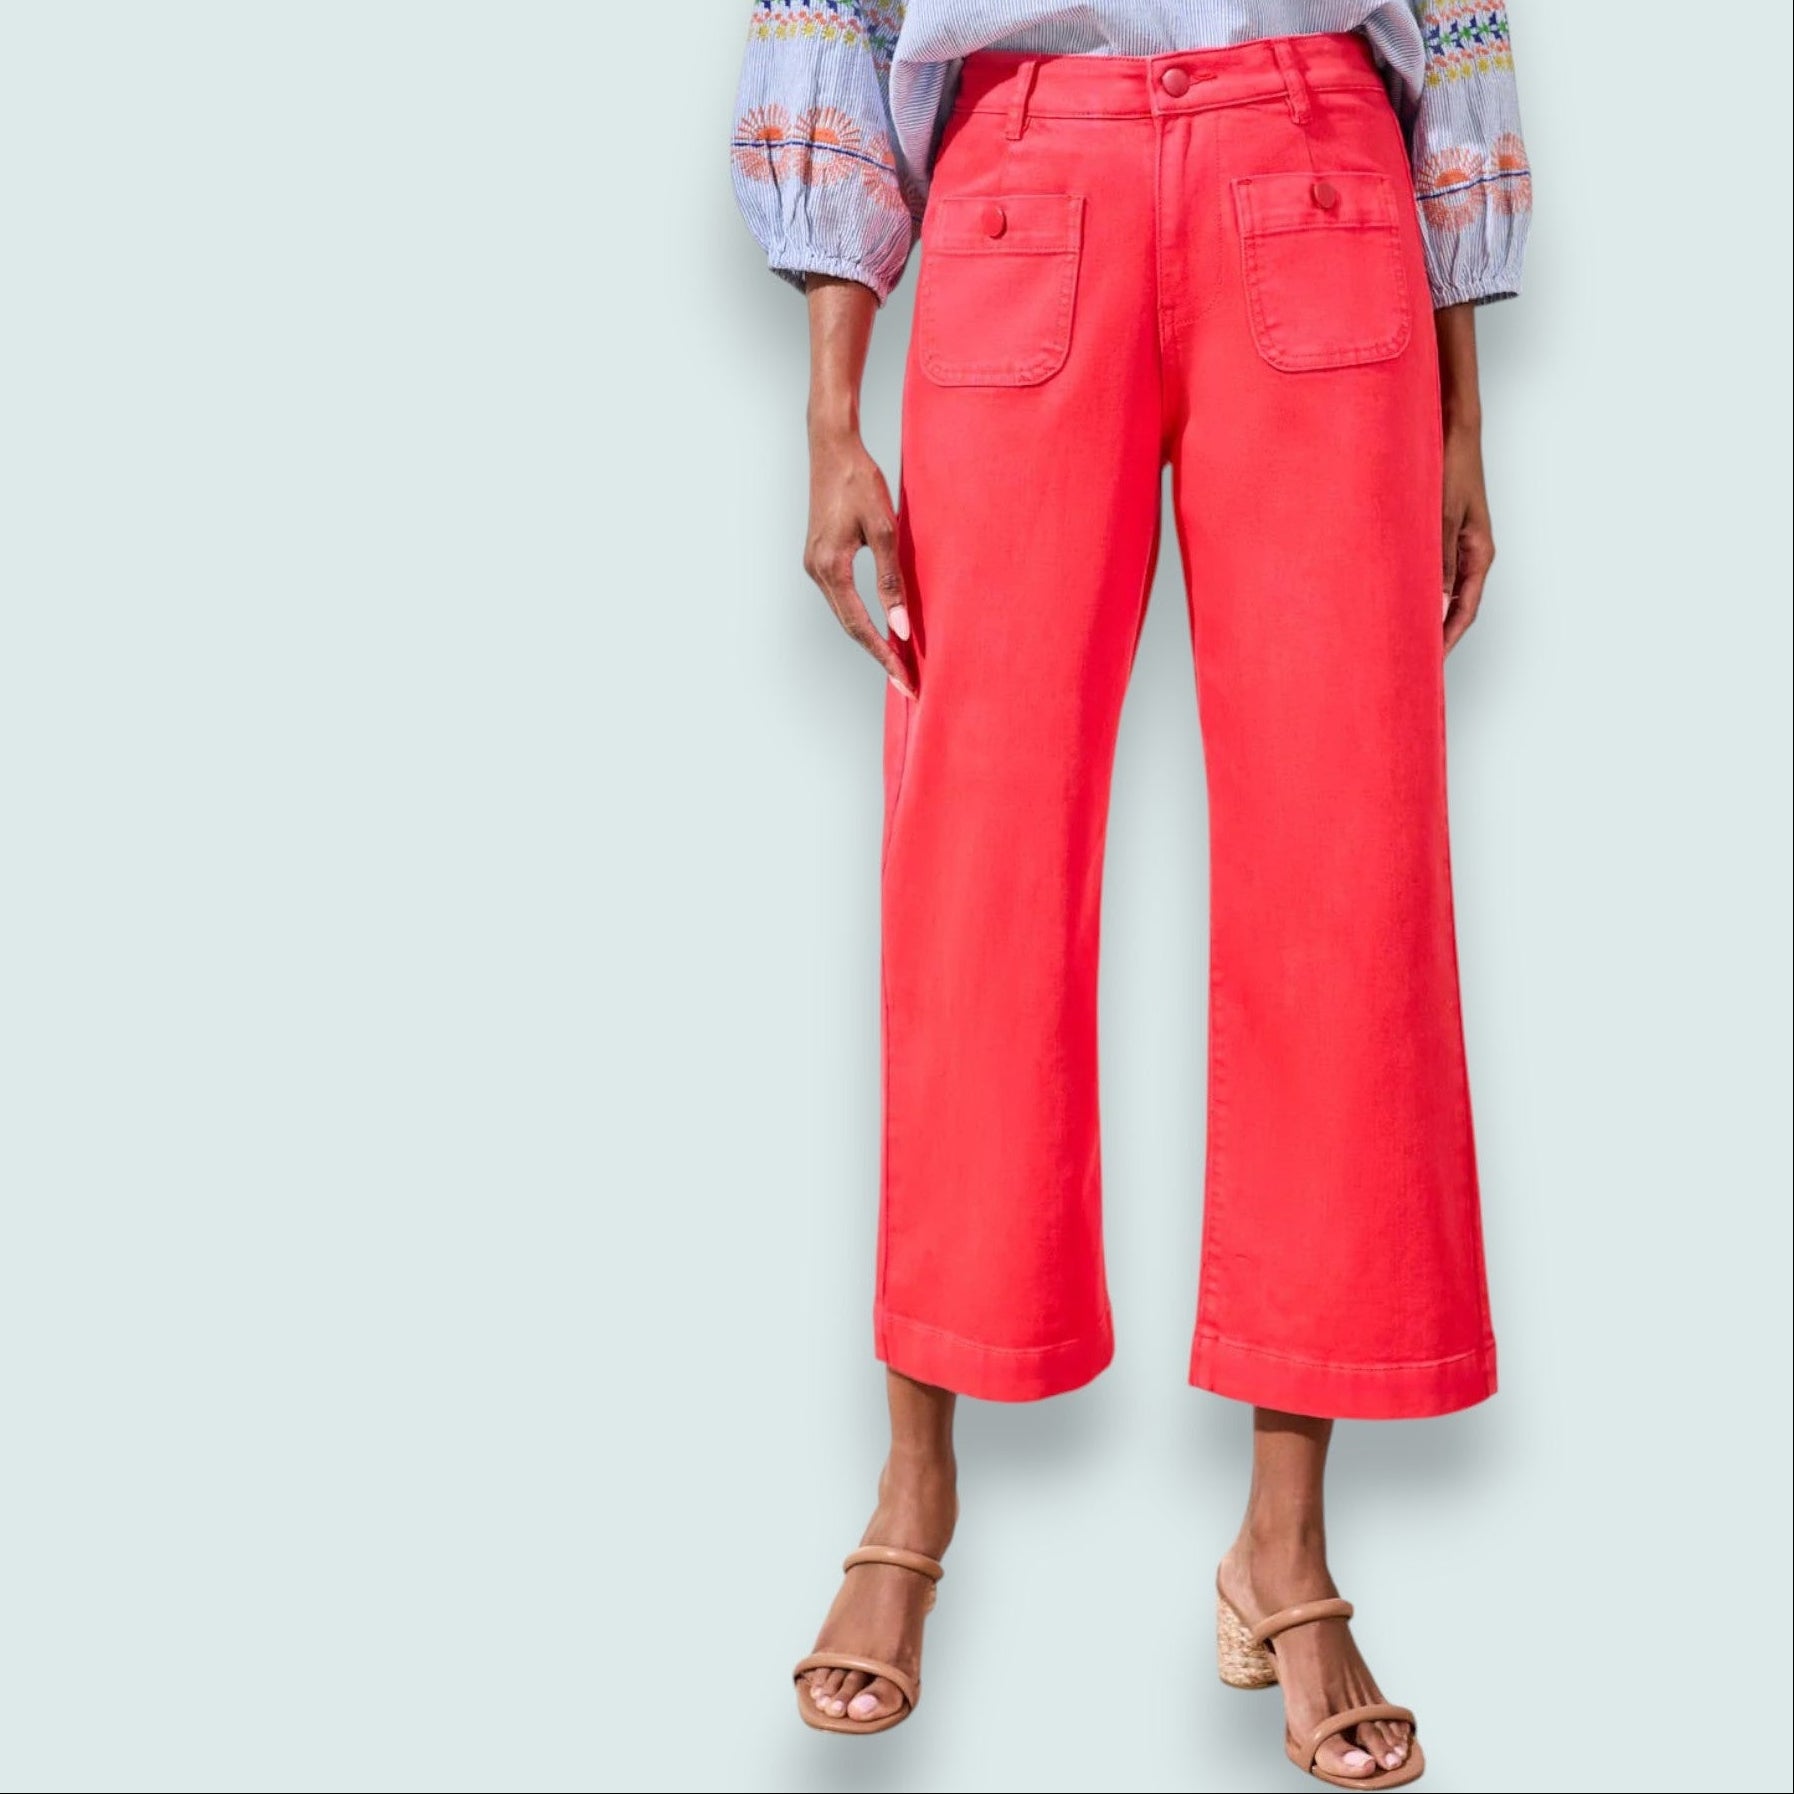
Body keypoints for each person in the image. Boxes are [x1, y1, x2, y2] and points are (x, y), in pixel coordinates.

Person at [730, 4, 1529, 1785]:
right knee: (974, 874)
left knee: (1346, 879)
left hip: (1318, 171)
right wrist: (828, 412)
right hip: (1020, 174)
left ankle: (1282, 1546)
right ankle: (913, 1487)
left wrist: (1467, 413)